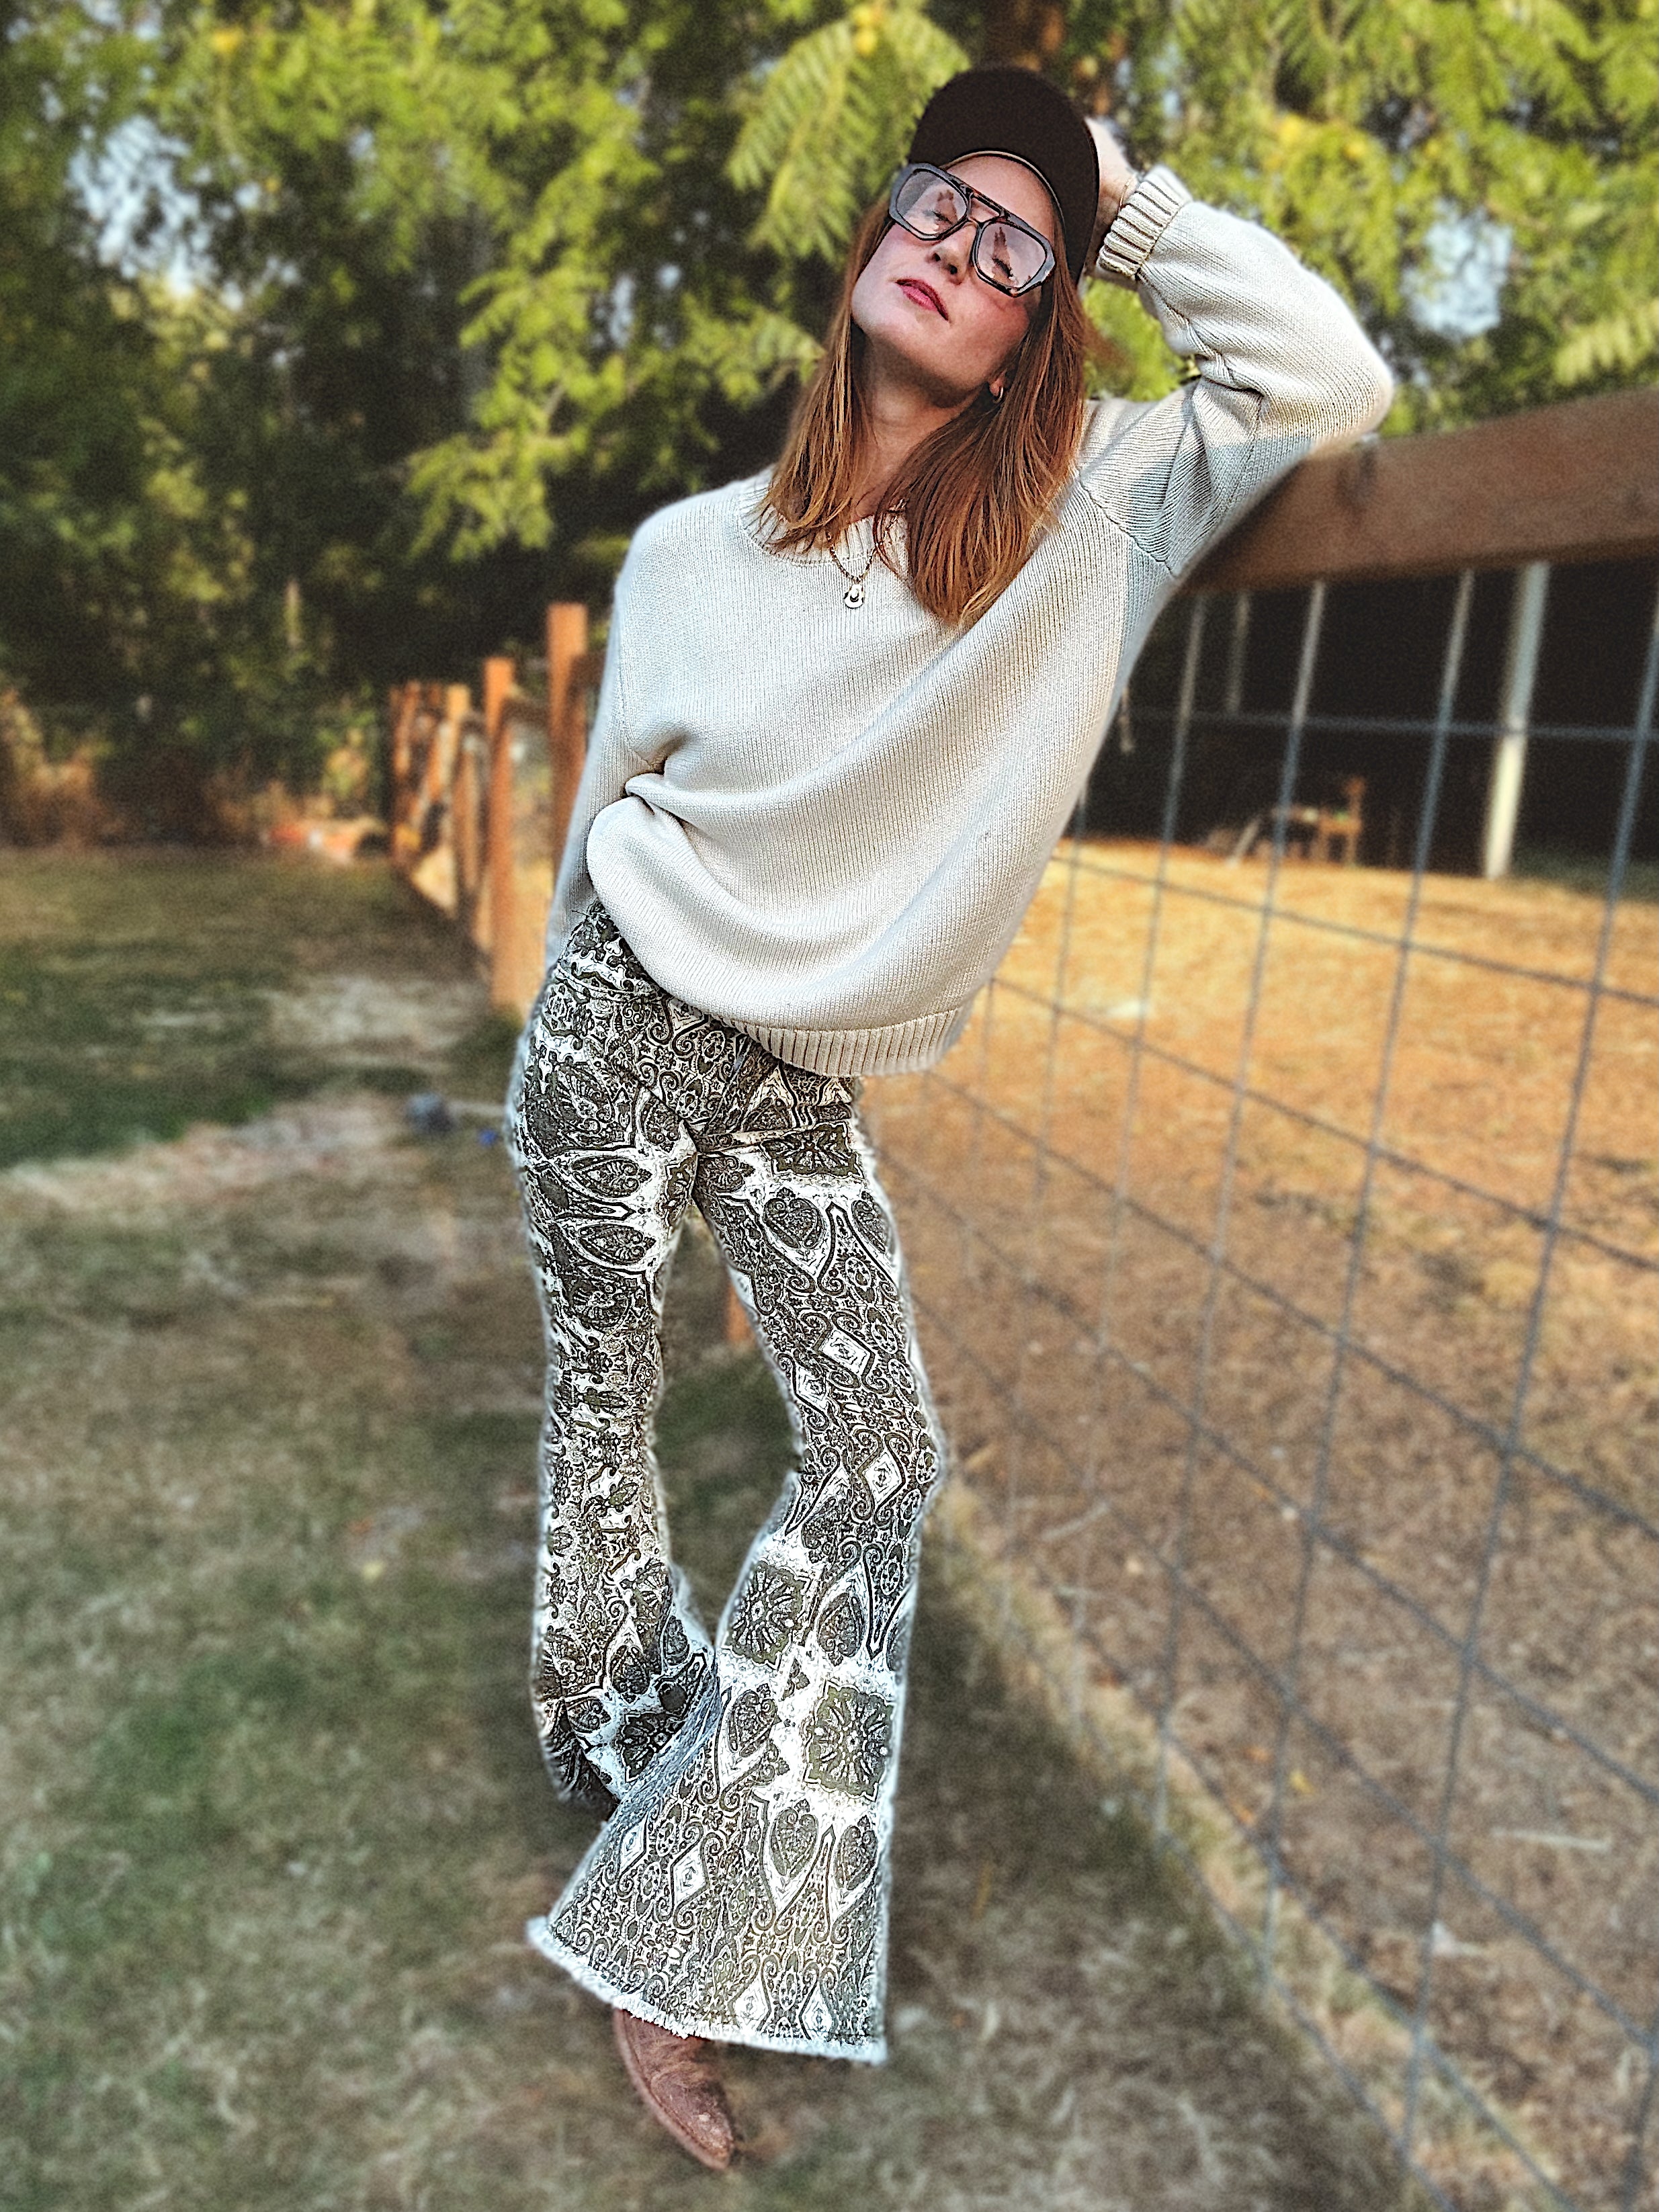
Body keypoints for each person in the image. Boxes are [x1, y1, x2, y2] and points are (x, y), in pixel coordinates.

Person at [505, 64, 1392, 2170]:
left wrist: (1121, 195)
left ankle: (675, 1913)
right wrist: (540, 1047)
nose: (960, 250)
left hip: (799, 1079)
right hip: (620, 1013)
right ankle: (635, 1796)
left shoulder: (1098, 510)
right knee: (605, 1420)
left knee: (881, 1454)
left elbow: (1332, 378)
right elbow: (607, 805)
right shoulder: (687, 552)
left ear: (1035, 332)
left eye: (1017, 248)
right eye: (939, 205)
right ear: (871, 242)